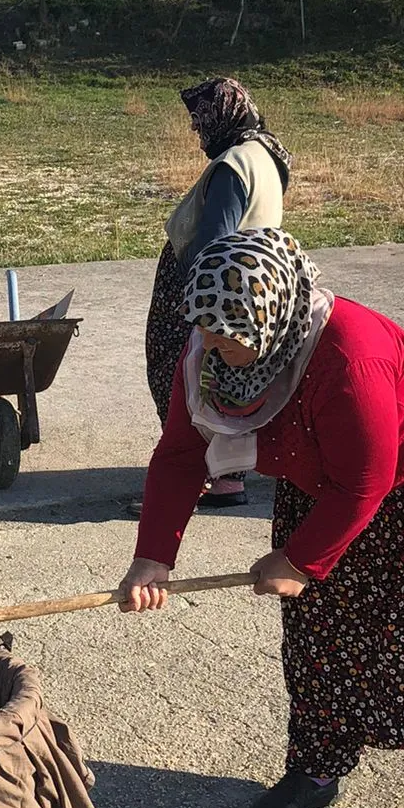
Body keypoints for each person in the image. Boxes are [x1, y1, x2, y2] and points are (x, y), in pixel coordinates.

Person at [119, 228, 404, 808]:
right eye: (207, 331)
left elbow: (366, 479)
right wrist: (153, 557)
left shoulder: (348, 354)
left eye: (228, 333)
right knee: (320, 632)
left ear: (271, 313)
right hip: (324, 478)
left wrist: (302, 560)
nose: (215, 346)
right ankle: (315, 771)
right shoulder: (208, 346)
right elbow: (179, 453)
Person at [143, 78, 290, 507]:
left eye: (199, 121)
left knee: (184, 376)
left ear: (222, 117)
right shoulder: (265, 154)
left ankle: (208, 476)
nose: (196, 131)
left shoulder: (233, 166)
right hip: (246, 286)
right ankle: (224, 472)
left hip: (211, 294)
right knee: (225, 377)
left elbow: (213, 243)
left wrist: (193, 304)